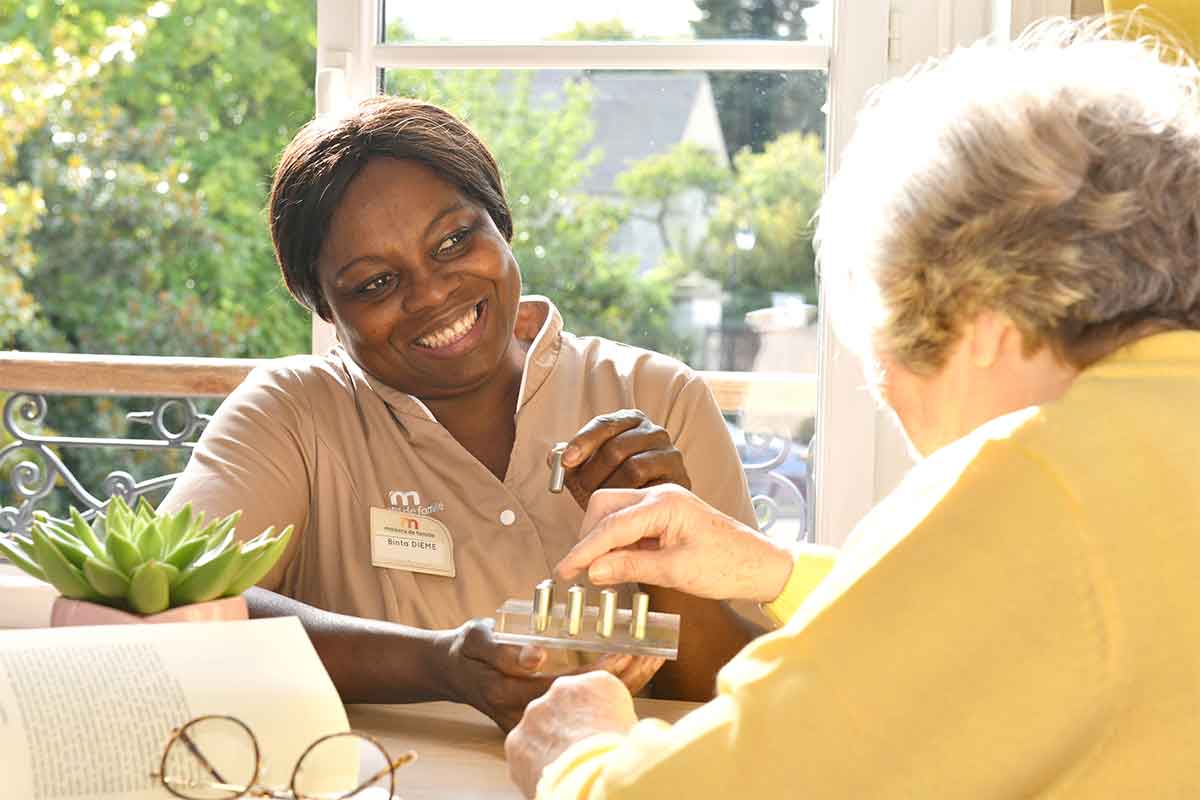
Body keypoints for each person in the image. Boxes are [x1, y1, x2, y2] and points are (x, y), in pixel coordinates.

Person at [506, 18, 1200, 797]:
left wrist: (579, 752)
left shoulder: (1040, 474)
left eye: (883, 348)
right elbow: (1022, 613)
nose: (887, 393)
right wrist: (774, 570)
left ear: (973, 314)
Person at [159, 97, 759, 731]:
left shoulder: (656, 397)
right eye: (374, 284)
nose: (430, 293)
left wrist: (665, 554)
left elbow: (752, 685)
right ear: (326, 310)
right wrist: (439, 665)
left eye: (452, 241)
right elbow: (176, 593)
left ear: (501, 225)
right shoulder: (292, 413)